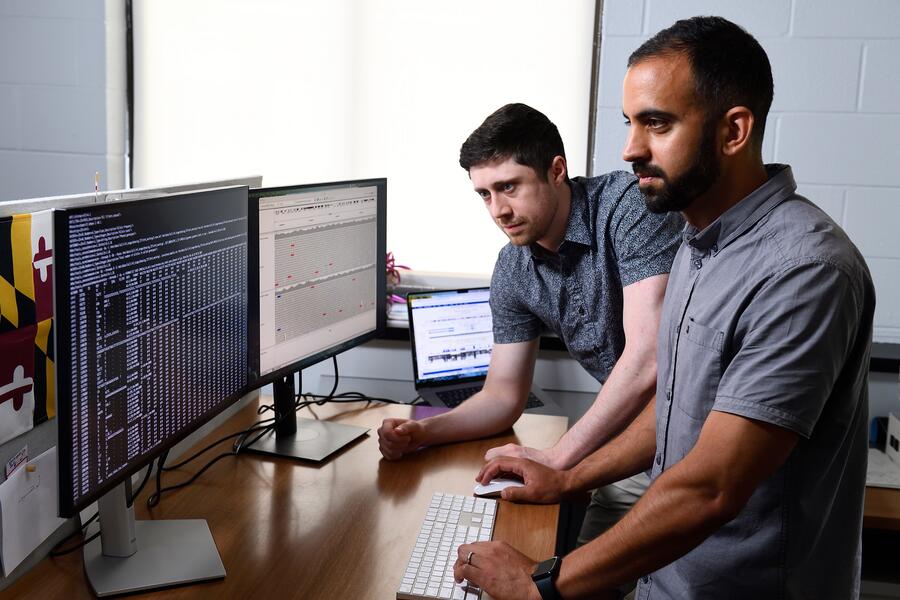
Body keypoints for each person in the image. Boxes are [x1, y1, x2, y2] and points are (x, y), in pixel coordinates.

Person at [454, 16, 875, 600]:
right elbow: (676, 410)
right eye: (631, 123)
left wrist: (538, 586)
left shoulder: (803, 270)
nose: (630, 149)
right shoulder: (698, 245)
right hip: (669, 575)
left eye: (657, 123)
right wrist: (567, 475)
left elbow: (710, 487)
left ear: (733, 131)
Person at [377, 103, 683, 546]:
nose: (498, 210)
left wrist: (557, 457)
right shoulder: (513, 269)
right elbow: (502, 395)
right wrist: (422, 431)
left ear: (556, 170)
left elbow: (648, 356)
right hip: (628, 445)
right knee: (574, 572)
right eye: (484, 194)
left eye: (509, 187)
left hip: (699, 428)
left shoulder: (629, 207)